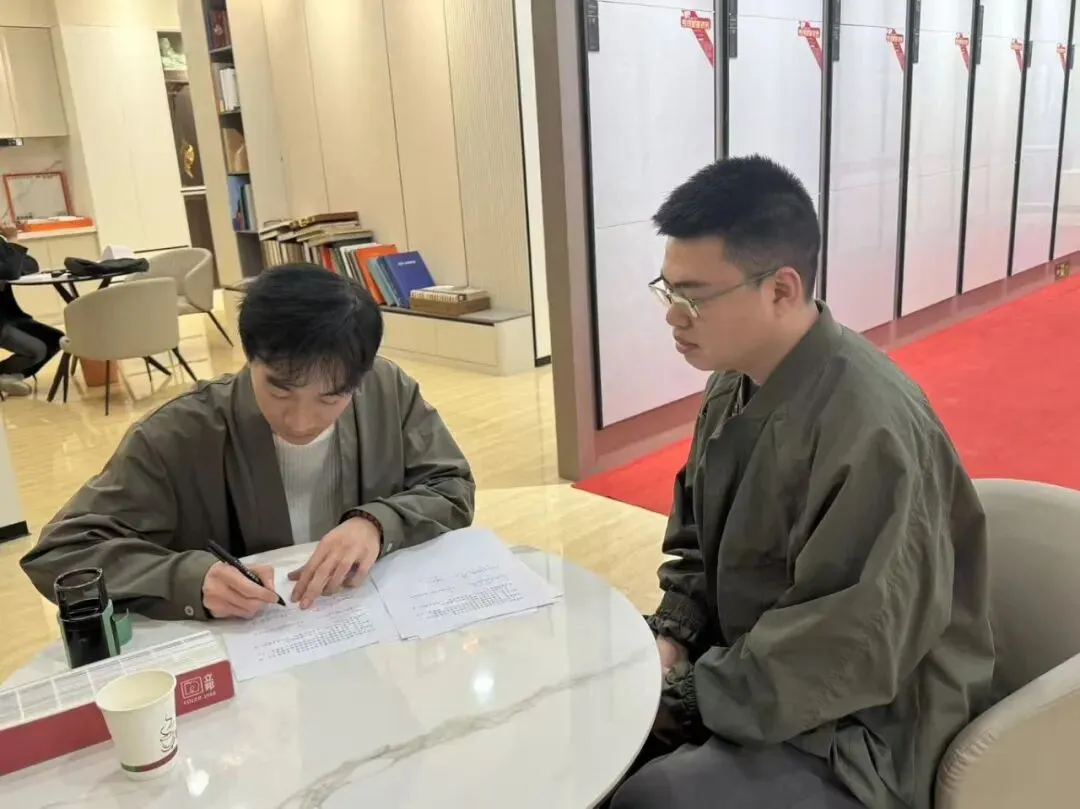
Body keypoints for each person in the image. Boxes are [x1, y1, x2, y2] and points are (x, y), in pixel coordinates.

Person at [608, 156, 994, 809]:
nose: (673, 317)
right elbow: (696, 548)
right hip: (761, 678)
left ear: (782, 290)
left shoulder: (871, 429)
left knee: (655, 796)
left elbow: (844, 650)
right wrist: (672, 633)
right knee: (590, 735)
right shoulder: (733, 383)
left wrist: (681, 699)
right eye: (667, 292)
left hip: (865, 725)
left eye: (693, 297)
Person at [22, 263, 475, 620]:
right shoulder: (180, 433)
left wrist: (376, 524)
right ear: (249, 356)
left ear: (360, 377)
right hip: (244, 658)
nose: (301, 421)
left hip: (367, 629)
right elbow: (62, 553)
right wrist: (190, 580)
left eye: (331, 397)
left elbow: (452, 487)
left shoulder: (387, 391)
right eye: (280, 390)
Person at [0, 223, 62, 397]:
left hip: (10, 316)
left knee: (55, 340)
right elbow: (11, 271)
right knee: (37, 350)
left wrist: (11, 261)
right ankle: (6, 376)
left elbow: (31, 264)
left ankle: (9, 375)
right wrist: (12, 239)